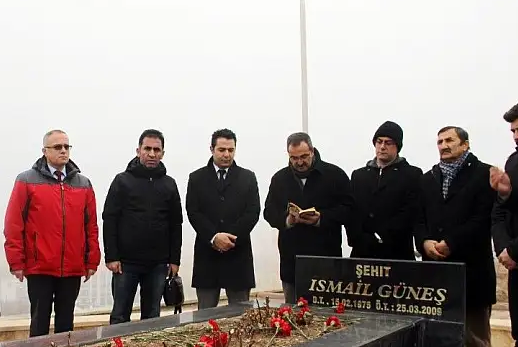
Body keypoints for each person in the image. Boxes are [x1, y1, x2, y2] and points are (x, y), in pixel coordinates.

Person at [415, 126, 496, 347]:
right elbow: (419, 219)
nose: (443, 145)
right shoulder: (429, 179)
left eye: (449, 140)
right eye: (439, 141)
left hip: (473, 272)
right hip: (438, 275)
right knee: (441, 340)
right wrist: (425, 242)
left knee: (477, 343)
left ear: (465, 144)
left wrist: (452, 242)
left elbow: (483, 219)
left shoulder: (484, 174)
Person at [3, 129, 100, 337]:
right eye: (57, 147)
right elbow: (14, 223)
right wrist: (16, 262)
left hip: (72, 266)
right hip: (40, 266)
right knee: (39, 323)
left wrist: (92, 260)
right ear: (44, 151)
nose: (63, 151)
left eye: (66, 146)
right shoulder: (26, 181)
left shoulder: (83, 183)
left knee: (66, 325)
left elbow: (91, 225)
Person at [102, 129, 183, 324]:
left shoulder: (169, 184)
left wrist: (174, 260)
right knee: (120, 315)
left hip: (158, 264)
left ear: (163, 153)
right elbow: (110, 219)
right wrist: (112, 256)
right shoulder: (122, 181)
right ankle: (118, 345)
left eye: (157, 150)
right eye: (147, 149)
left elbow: (176, 223)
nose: (152, 154)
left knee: (152, 317)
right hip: (125, 263)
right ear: (138, 151)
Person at [263, 132, 353, 303]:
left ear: (312, 151)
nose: (299, 162)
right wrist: (288, 220)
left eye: (304, 156)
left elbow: (349, 210)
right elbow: (269, 212)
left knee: (326, 312)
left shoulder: (334, 175)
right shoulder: (280, 179)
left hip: (326, 260)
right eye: (294, 158)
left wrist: (321, 218)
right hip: (292, 261)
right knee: (291, 312)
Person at [185, 129, 260, 309]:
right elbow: (193, 212)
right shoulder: (197, 178)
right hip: (207, 255)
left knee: (241, 314)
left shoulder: (247, 177)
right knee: (205, 315)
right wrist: (214, 237)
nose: (226, 154)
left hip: (238, 254)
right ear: (212, 149)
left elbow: (252, 212)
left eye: (231, 150)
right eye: (221, 150)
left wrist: (230, 238)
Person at [348, 121, 422, 260]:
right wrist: (357, 236)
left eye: (388, 143)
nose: (382, 147)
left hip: (396, 252)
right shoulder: (359, 175)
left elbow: (410, 211)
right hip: (362, 251)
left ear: (397, 146)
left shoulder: (412, 174)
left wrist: (381, 236)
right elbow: (352, 210)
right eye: (379, 142)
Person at [491, 99, 518, 347]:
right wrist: (503, 250)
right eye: (514, 131)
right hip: (517, 269)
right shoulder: (513, 162)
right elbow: (501, 211)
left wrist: (515, 251)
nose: (517, 136)